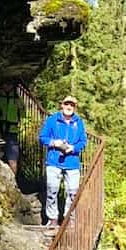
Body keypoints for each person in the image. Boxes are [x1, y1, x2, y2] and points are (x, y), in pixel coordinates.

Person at [38, 94, 87, 229]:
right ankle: (52, 219)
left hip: (72, 162)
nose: (69, 107)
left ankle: (69, 219)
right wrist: (54, 143)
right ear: (62, 105)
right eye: (67, 104)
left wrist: (73, 148)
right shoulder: (52, 120)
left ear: (75, 108)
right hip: (54, 161)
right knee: (52, 191)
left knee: (73, 192)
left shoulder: (79, 122)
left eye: (72, 105)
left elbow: (83, 141)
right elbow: (43, 137)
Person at [0, 82, 21, 177]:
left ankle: (14, 181)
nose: (7, 86)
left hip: (12, 131)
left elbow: (23, 114)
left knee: (12, 158)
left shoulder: (17, 99)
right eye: (5, 83)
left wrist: (20, 107)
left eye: (9, 84)